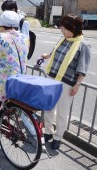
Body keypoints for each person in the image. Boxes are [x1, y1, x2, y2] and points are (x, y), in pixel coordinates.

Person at [41, 14, 91, 149]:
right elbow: (54, 52)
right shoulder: (63, 39)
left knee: (62, 113)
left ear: (73, 28)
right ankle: (47, 132)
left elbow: (83, 68)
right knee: (49, 108)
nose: (62, 31)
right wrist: (47, 56)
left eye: (64, 28)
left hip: (67, 83)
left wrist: (77, 84)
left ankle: (58, 137)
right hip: (52, 78)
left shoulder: (83, 45)